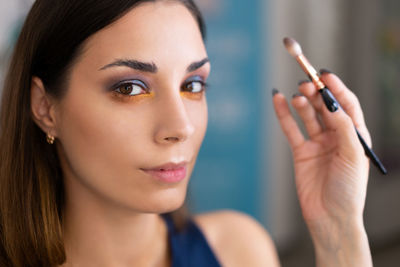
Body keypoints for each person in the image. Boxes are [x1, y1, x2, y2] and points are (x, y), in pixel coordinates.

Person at [0, 0, 373, 266]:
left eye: (192, 85)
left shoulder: (238, 250)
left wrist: (337, 229)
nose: (181, 127)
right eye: (130, 88)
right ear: (45, 108)